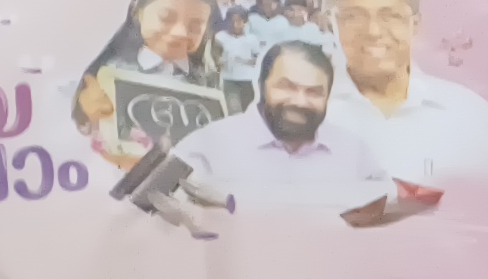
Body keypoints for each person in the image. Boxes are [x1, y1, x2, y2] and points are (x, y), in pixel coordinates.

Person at [319, 0, 488, 197]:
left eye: (391, 16)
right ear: (328, 23)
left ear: (416, 25)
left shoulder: (468, 112)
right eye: (353, 16)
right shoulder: (299, 114)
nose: (373, 31)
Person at [168, 41, 402, 218]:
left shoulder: (354, 152)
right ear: (261, 86)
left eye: (313, 92)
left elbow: (386, 208)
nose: (299, 101)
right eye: (286, 87)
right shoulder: (207, 147)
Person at [72, 0, 224, 168]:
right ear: (137, 11)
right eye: (166, 18)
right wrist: (88, 114)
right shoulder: (110, 74)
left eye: (195, 26)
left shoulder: (210, 83)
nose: (180, 32)